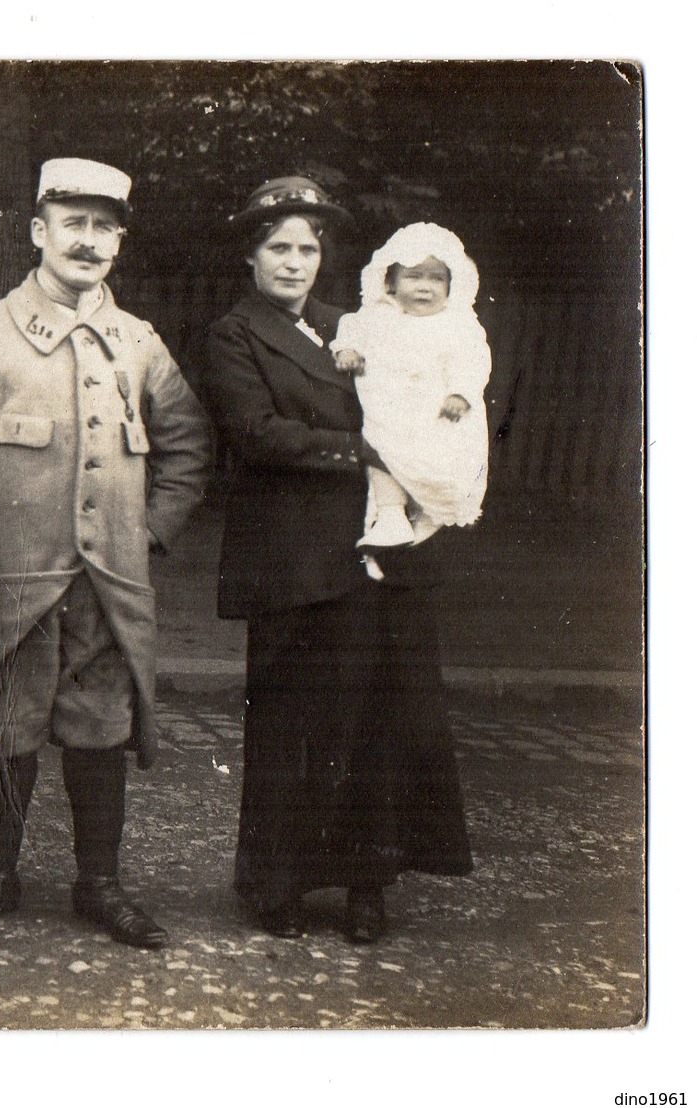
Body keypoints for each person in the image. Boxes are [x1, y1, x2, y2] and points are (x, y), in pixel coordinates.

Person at [0, 159, 211, 949]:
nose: (88, 240)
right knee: (6, 731)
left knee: (100, 730)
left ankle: (99, 884)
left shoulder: (138, 344)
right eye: (72, 222)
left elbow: (186, 448)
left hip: (108, 591)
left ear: (118, 241)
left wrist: (146, 534)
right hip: (14, 589)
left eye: (104, 225)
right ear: (38, 231)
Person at [198, 176, 473, 945]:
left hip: (371, 553)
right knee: (292, 723)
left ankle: (365, 885)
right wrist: (363, 449)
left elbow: (422, 390)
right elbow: (256, 433)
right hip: (290, 559)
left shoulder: (353, 325)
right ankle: (276, 884)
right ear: (251, 257)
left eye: (307, 248)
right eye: (277, 248)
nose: (293, 262)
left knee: (373, 724)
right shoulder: (233, 334)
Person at [330, 222, 492, 562]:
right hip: (390, 408)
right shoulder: (377, 315)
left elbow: (473, 358)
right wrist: (348, 351)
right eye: (414, 276)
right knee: (380, 449)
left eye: (437, 279)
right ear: (389, 280)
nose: (425, 287)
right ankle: (391, 515)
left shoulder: (458, 322)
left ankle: (432, 513)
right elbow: (351, 329)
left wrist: (460, 393)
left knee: (439, 461)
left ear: (452, 284)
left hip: (438, 411)